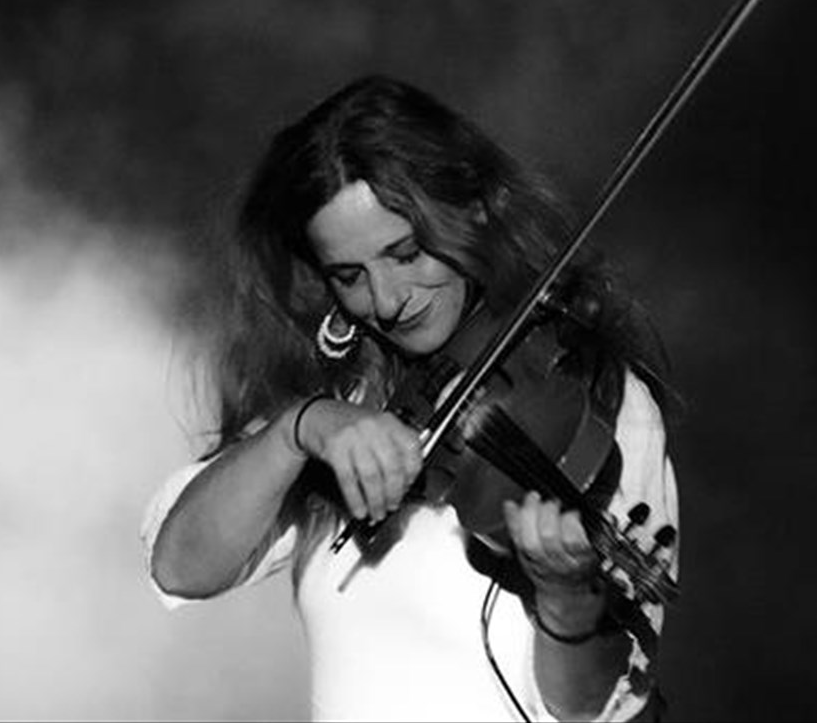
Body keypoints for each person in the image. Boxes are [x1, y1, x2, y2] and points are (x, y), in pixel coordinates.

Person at [141, 75, 680, 722]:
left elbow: (596, 711)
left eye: (406, 252)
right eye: (350, 275)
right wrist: (298, 429)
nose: (388, 299)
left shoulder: (592, 390)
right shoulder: (349, 395)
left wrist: (568, 601)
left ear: (474, 209)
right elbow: (181, 567)